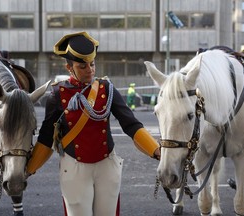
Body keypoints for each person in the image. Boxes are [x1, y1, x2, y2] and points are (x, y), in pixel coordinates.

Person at [26, 31, 161, 216]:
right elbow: (46, 137)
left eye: (92, 64)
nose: (89, 70)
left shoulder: (106, 88)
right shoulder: (57, 94)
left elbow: (131, 124)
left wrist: (157, 150)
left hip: (106, 164)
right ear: (69, 68)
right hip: (74, 166)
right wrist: (28, 170)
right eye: (82, 66)